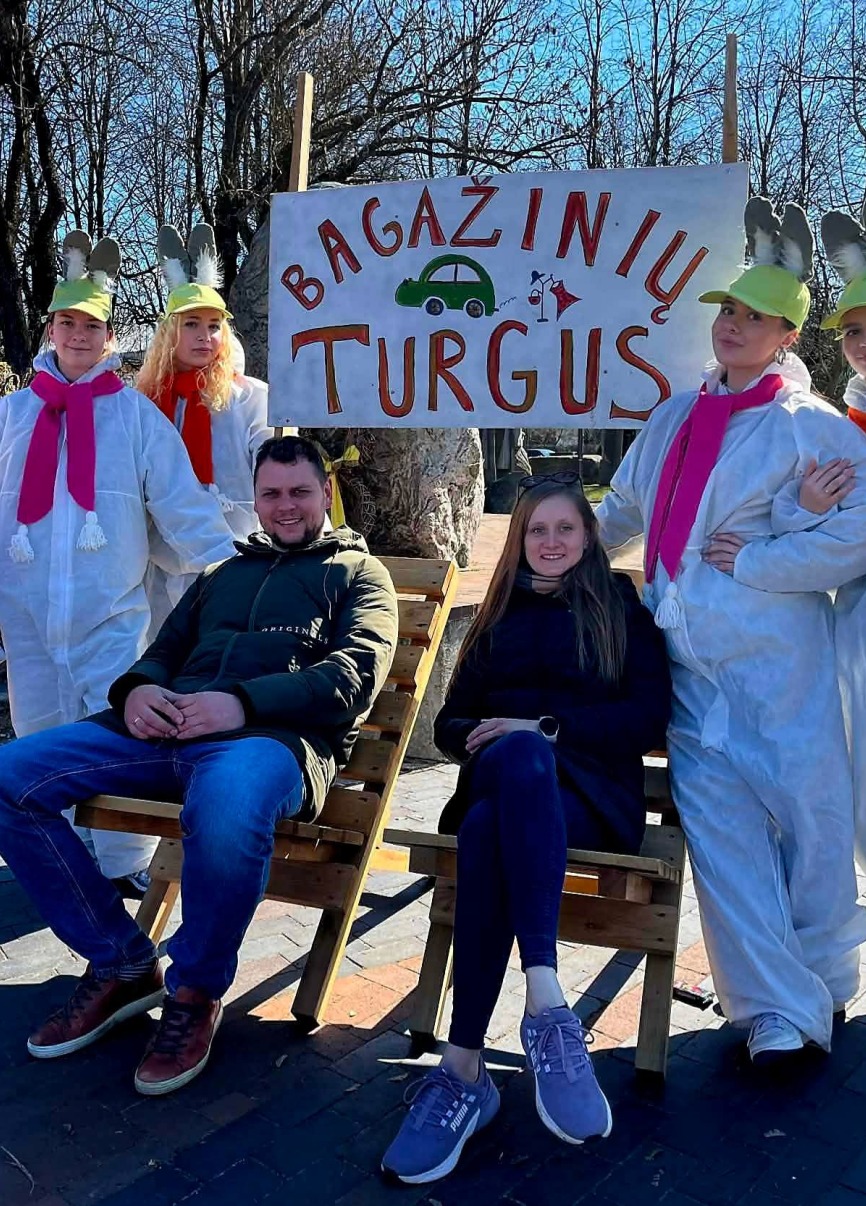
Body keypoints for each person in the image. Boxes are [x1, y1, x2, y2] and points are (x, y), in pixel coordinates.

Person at [0, 435, 398, 1096]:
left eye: (300, 492)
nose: (286, 506)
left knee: (227, 809)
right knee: (11, 777)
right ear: (256, 500)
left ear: (325, 493)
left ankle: (193, 992)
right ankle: (122, 962)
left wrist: (241, 703)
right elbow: (164, 651)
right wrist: (137, 692)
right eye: (271, 494)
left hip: (268, 741)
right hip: (165, 730)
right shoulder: (223, 574)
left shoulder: (358, 574)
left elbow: (352, 676)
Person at [595, 196, 866, 1068]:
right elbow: (626, 506)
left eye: (756, 317)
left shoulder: (812, 427)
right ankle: (775, 1010)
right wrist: (553, 548)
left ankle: (825, 979)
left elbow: (858, 532)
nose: (735, 327)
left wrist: (761, 557)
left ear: (787, 335)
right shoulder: (674, 415)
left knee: (812, 827)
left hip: (778, 665)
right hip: (686, 667)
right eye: (730, 312)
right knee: (722, 841)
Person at [382, 474, 671, 1185]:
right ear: (519, 538)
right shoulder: (499, 612)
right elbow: (450, 722)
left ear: (588, 536)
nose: (550, 541)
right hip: (505, 778)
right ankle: (546, 1000)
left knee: (489, 825)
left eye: (565, 528)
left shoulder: (620, 610)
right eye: (537, 530)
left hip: (590, 799)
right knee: (516, 760)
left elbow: (648, 716)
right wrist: (487, 735)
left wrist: (544, 728)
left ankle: (462, 1070)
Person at [0, 230, 236, 895]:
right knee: (39, 736)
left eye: (92, 326)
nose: (79, 336)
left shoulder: (133, 417)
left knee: (117, 736)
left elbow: (184, 508)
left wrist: (234, 579)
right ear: (51, 329)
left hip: (109, 614)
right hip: (26, 617)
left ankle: (123, 862)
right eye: (68, 323)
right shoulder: (12, 416)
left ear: (109, 338)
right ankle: (58, 858)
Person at [769, 197, 866, 865]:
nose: (859, 343)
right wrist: (804, 507)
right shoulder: (841, 424)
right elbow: (806, 526)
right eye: (852, 330)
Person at [137, 223, 271, 633]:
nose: (204, 336)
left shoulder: (249, 397)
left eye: (214, 326)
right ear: (170, 332)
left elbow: (274, 469)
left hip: (235, 562)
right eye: (192, 324)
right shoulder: (146, 403)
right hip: (161, 568)